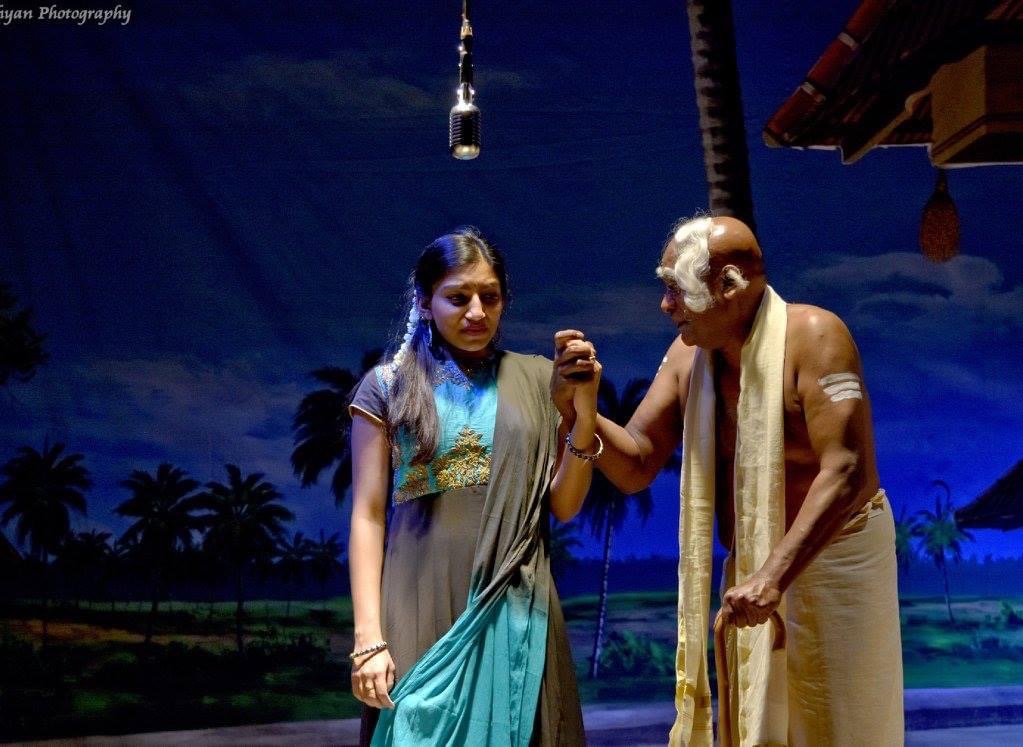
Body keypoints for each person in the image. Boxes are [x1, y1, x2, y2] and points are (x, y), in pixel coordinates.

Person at [553, 216, 904, 746]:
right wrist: (582, 411)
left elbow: (849, 469)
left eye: (677, 289)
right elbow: (637, 463)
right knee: (754, 727)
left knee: (844, 727)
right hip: (753, 570)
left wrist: (773, 576)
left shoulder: (816, 337)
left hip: (836, 560)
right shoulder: (688, 356)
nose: (665, 305)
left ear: (729, 285)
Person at [347, 228, 596, 746]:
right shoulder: (388, 386)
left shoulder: (536, 380)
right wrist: (368, 638)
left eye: (490, 297)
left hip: (516, 596)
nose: (477, 312)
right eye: (458, 298)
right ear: (424, 302)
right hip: (418, 600)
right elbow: (368, 515)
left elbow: (564, 505)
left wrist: (584, 408)